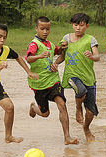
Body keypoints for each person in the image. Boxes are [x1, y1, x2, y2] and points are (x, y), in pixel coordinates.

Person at [26, 16, 78, 145]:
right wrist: (39, 55)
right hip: (39, 84)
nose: (45, 32)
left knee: (62, 104)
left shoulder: (49, 44)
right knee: (45, 114)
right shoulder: (34, 44)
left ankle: (67, 137)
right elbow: (28, 58)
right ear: (36, 28)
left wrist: (62, 47)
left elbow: (58, 51)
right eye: (42, 29)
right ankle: (33, 106)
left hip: (53, 80)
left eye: (47, 29)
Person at [53, 13, 100, 142]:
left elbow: (97, 57)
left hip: (89, 78)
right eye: (75, 25)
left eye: (81, 25)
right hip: (71, 75)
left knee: (91, 112)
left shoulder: (91, 39)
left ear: (87, 26)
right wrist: (56, 63)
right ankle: (78, 109)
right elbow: (62, 55)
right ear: (72, 25)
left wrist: (91, 56)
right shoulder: (66, 38)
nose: (78, 28)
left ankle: (86, 128)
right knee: (81, 90)